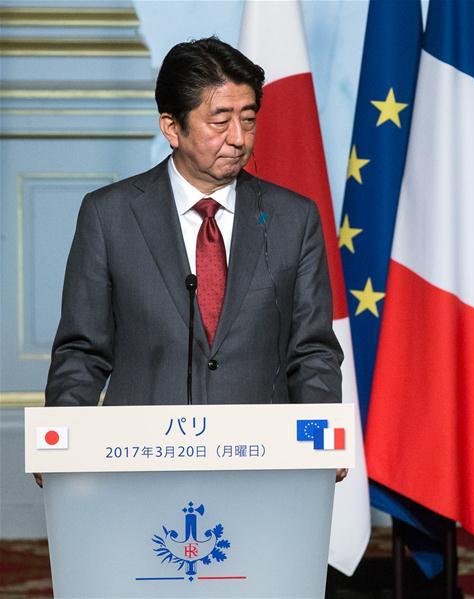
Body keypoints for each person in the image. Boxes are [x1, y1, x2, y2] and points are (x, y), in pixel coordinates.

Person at [40, 38, 344, 480]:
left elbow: (312, 350)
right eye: (220, 121)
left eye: (248, 120)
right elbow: (83, 351)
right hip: (140, 465)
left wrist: (320, 445)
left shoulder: (294, 218)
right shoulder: (109, 215)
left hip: (263, 465)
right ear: (172, 127)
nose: (238, 139)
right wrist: (61, 441)